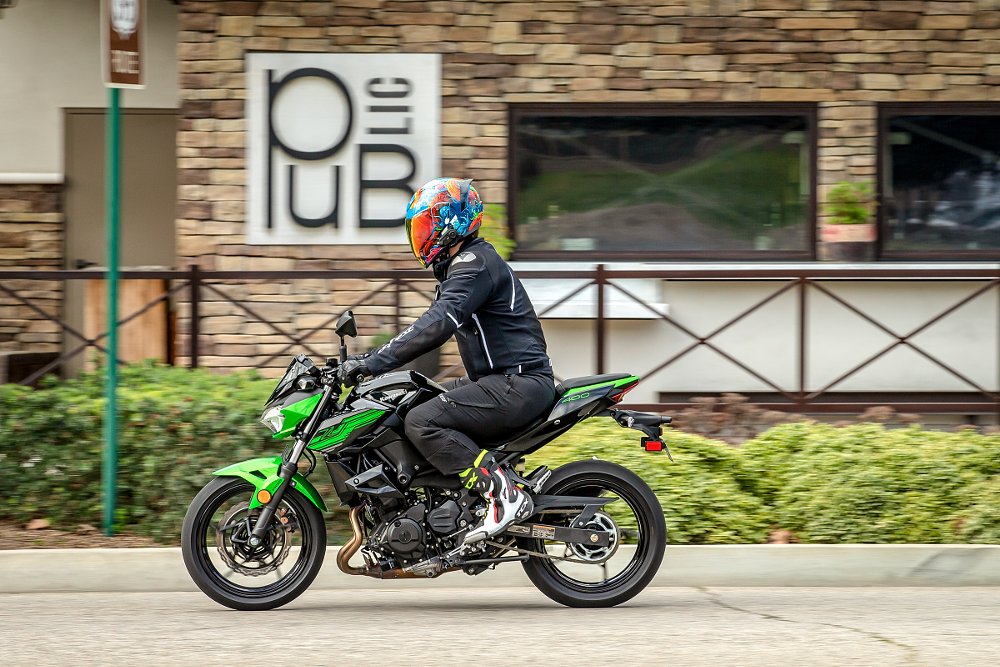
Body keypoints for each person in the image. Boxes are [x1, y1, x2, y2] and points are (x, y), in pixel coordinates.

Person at [338, 177, 555, 546]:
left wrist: (371, 362)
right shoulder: (463, 266)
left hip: (518, 385)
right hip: (501, 382)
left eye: (426, 224)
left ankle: (501, 493)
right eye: (418, 227)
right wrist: (368, 364)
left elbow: (436, 324)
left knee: (423, 420)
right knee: (411, 401)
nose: (420, 235)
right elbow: (431, 323)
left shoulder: (474, 264)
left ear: (451, 223)